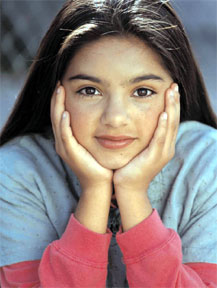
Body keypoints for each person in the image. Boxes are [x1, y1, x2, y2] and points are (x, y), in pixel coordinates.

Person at [0, 0, 217, 287]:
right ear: (57, 95)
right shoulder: (15, 171)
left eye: (142, 91)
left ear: (174, 97)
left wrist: (133, 193)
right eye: (89, 90)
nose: (115, 118)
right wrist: (93, 194)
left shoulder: (208, 165)